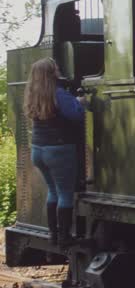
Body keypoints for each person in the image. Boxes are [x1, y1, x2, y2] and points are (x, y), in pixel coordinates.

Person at [24, 58, 84, 248]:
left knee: (52, 191)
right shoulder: (59, 93)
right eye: (56, 68)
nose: (59, 70)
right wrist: (79, 102)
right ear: (52, 73)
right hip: (58, 150)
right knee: (65, 193)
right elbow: (76, 115)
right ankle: (65, 237)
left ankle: (53, 235)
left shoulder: (33, 94)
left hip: (38, 150)